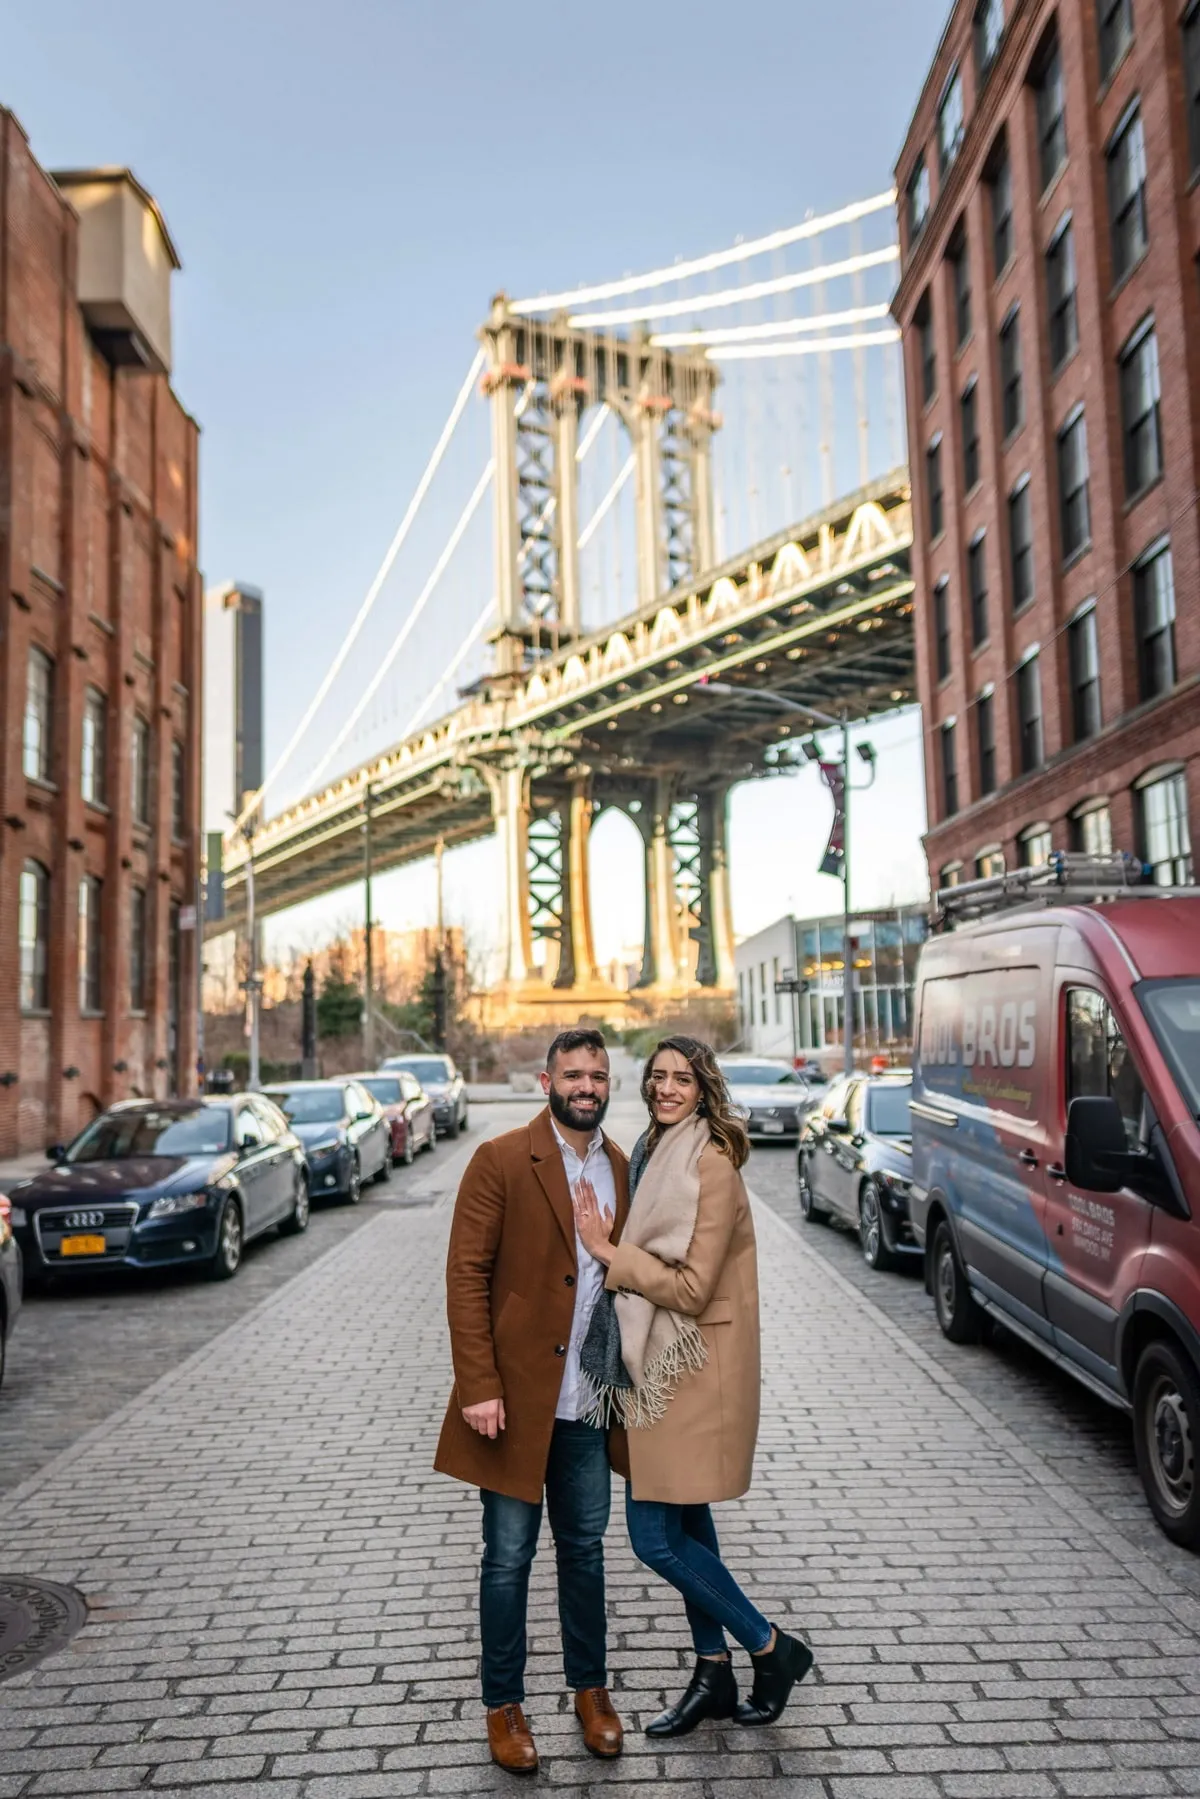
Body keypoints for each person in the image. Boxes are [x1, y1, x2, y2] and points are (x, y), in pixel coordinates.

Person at [574, 1034, 814, 1737]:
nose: (667, 1088)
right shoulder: (654, 1151)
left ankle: (771, 1644)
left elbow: (691, 1283)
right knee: (686, 1524)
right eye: (657, 1077)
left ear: (704, 1087)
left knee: (653, 1537)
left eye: (682, 1078)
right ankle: (712, 1671)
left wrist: (608, 1252)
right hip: (667, 1370)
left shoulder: (709, 1163)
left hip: (691, 1369)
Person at [434, 1027, 629, 1776]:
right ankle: (504, 1704)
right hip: (513, 1401)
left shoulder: (618, 1165)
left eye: (598, 1074)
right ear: (545, 1081)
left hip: (586, 1400)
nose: (587, 1085)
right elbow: (466, 1276)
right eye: (573, 1073)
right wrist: (478, 1384)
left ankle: (591, 1691)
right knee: (507, 1557)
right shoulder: (501, 1158)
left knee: (585, 1552)